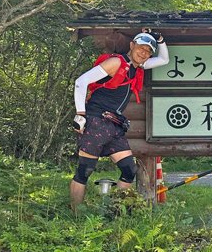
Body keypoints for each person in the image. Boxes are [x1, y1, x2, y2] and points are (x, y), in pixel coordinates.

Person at [70, 30, 169, 211]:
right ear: (132, 45)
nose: (144, 53)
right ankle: (75, 215)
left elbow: (164, 60)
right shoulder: (116, 62)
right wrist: (80, 115)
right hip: (96, 121)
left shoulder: (138, 66)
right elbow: (81, 82)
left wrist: (160, 39)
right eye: (141, 48)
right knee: (85, 171)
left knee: (129, 170)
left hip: (115, 125)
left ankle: (115, 212)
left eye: (148, 51)